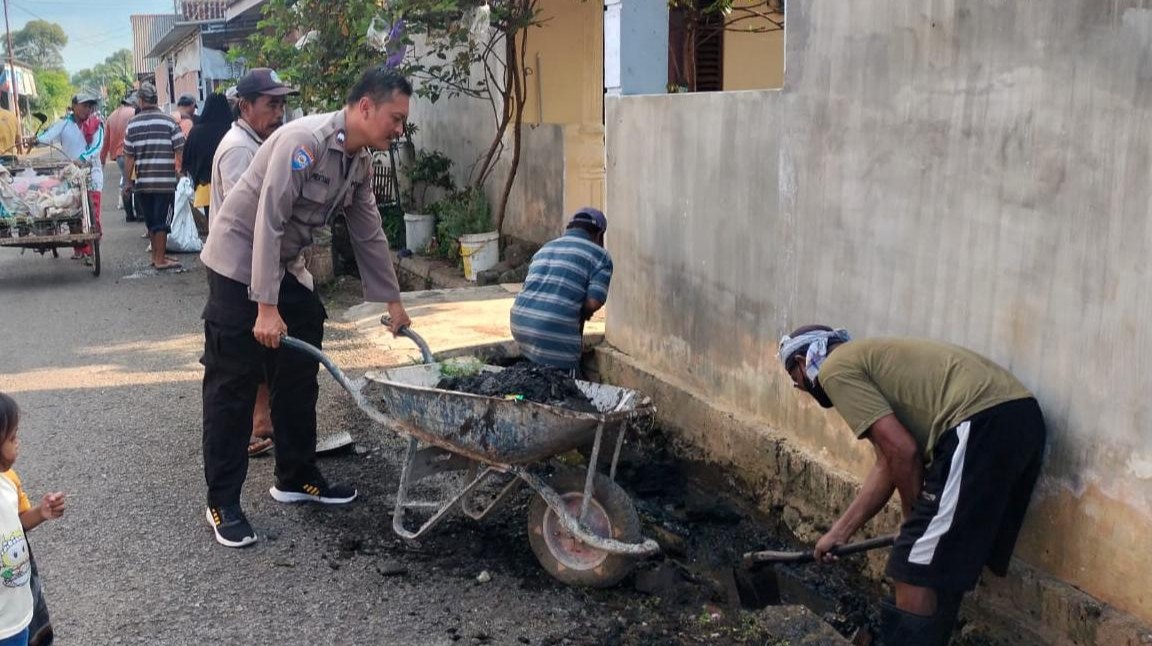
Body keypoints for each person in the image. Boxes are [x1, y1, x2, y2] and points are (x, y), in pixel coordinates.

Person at [198, 66, 414, 548]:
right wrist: (266, 307)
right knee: (233, 379)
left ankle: (295, 477)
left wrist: (394, 303)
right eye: (394, 118)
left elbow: (368, 232)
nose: (399, 129)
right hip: (238, 263)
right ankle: (222, 502)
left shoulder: (356, 161)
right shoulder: (305, 141)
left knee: (302, 348)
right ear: (365, 107)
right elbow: (268, 221)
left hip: (280, 264)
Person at [778, 326, 1047, 645]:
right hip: (1015, 420)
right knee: (937, 562)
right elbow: (888, 463)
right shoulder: (869, 361)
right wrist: (839, 532)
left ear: (801, 361)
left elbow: (903, 451)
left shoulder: (834, 370)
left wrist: (910, 519)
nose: (803, 389)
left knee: (911, 563)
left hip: (981, 422)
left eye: (798, 383)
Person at [209, 68, 299, 458]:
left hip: (250, 263)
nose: (279, 112)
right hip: (240, 266)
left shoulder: (254, 142)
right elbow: (247, 215)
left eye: (282, 104)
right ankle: (252, 425)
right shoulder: (240, 149)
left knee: (260, 348)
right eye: (270, 104)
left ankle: (260, 422)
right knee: (246, 352)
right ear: (245, 107)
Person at [509, 208, 613, 373]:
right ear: (599, 235)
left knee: (535, 378)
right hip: (550, 331)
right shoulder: (600, 255)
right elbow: (594, 302)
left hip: (519, 324)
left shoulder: (545, 248)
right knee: (564, 388)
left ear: (570, 229)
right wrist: (580, 310)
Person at [0, 393, 66, 646]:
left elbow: (17, 520)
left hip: (19, 609)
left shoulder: (9, 480)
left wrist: (41, 512)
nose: (18, 443)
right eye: (12, 437)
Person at [33, 92, 104, 264]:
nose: (87, 110)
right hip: (71, 174)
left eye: (89, 106)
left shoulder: (96, 125)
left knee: (91, 211)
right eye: (83, 105)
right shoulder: (64, 124)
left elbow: (97, 147)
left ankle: (89, 248)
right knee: (72, 211)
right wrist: (35, 140)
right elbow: (47, 136)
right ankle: (78, 248)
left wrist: (82, 159)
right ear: (74, 106)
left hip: (91, 173)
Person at [123, 82, 185, 271]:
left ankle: (157, 256)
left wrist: (127, 182)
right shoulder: (169, 122)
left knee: (150, 220)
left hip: (143, 183)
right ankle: (160, 259)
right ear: (156, 100)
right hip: (164, 181)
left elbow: (129, 156)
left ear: (141, 101)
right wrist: (179, 170)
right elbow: (180, 149)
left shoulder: (132, 124)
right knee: (162, 221)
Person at [181, 93, 232, 222]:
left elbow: (187, 157)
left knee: (212, 221)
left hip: (206, 185)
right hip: (230, 183)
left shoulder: (197, 132)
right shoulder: (232, 130)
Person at [101, 93, 139, 219]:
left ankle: (129, 215)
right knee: (137, 183)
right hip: (132, 153)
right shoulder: (134, 112)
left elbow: (105, 140)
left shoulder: (111, 116)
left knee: (126, 182)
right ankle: (140, 213)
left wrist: (102, 160)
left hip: (118, 156)